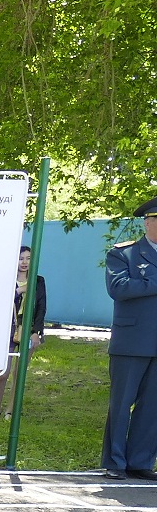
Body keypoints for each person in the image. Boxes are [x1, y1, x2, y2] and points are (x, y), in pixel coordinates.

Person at [103, 197, 157, 480]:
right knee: (121, 404)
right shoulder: (124, 254)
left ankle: (140, 461)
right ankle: (115, 461)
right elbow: (119, 287)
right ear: (148, 222)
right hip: (132, 340)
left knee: (152, 407)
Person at [0, 243, 49, 420]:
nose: (24, 262)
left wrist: (36, 332)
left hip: (28, 329)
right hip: (8, 330)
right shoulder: (7, 279)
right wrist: (18, 291)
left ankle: (10, 411)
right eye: (21, 258)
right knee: (4, 372)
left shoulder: (38, 281)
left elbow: (41, 308)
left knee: (19, 373)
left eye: (28, 258)